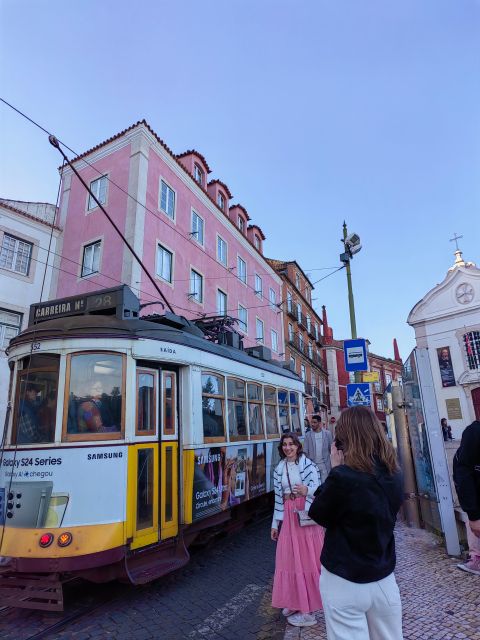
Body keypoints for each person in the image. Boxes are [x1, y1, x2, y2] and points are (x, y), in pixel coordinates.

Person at [309, 406, 404, 640]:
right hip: (383, 576)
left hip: (344, 578)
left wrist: (335, 469)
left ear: (345, 438)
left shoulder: (343, 476)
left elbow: (319, 513)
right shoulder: (395, 473)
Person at [271, 432, 324, 628]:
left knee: (306, 561)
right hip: (288, 515)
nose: (288, 448)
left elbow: (318, 488)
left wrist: (306, 491)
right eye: (284, 445)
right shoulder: (279, 468)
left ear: (297, 446)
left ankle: (308, 612)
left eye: (291, 444)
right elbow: (278, 497)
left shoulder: (308, 464)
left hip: (304, 515)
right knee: (290, 560)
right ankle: (295, 601)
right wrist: (275, 524)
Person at [453, 419, 480, 575]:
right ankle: (475, 558)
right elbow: (463, 475)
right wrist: (474, 516)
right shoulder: (474, 433)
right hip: (475, 495)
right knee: (475, 524)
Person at [303, 414, 333, 483]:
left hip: (325, 465)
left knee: (325, 485)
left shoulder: (327, 434)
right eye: (311, 422)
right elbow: (305, 450)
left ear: (319, 423)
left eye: (314, 422)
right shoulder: (308, 435)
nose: (312, 424)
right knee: (315, 485)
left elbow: (331, 449)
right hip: (313, 465)